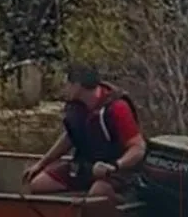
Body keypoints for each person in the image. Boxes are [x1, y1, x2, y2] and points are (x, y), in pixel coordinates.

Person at [22, 65, 145, 202]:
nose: (64, 89)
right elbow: (70, 137)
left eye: (66, 84)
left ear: (77, 86)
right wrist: (42, 163)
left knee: (99, 192)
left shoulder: (117, 108)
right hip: (85, 166)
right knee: (38, 185)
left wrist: (115, 165)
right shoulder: (76, 106)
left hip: (116, 170)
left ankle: (120, 203)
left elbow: (138, 147)